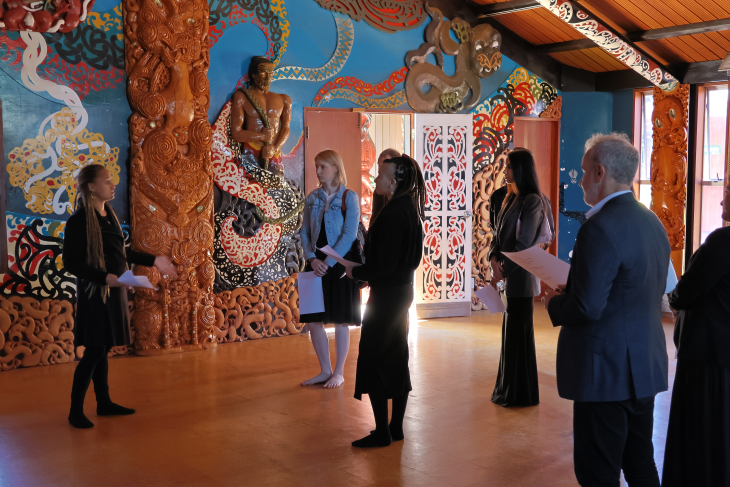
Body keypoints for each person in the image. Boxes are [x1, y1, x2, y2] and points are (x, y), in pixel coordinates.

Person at [543, 133, 670, 487]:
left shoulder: (598, 228)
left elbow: (586, 307)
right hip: (644, 365)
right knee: (641, 464)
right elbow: (641, 288)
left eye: (584, 172)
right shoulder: (652, 222)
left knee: (598, 473)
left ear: (600, 172)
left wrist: (556, 302)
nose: (580, 179)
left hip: (606, 372)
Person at [63, 164, 176, 429]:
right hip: (96, 294)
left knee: (102, 348)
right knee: (94, 350)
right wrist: (104, 278)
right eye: (106, 181)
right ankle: (74, 411)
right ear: (91, 187)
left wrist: (154, 259)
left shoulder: (109, 215)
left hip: (114, 290)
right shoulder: (79, 221)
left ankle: (103, 403)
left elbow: (120, 251)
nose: (112, 185)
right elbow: (71, 263)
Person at [345, 155, 425, 448]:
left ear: (394, 182)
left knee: (375, 358)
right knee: (395, 356)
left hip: (387, 295)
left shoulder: (393, 214)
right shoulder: (408, 209)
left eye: (381, 174)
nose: (375, 178)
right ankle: (395, 427)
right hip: (401, 292)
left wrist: (358, 272)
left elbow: (384, 264)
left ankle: (382, 432)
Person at [662, 182, 730, 487]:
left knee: (703, 429)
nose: (720, 203)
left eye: (726, 195)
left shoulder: (722, 242)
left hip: (708, 352)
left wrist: (673, 299)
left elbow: (685, 291)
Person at [488, 148, 555, 407]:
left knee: (519, 337)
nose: (505, 171)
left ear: (520, 170)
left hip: (522, 277)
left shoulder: (533, 201)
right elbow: (498, 236)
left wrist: (502, 270)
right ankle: (507, 390)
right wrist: (493, 259)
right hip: (507, 274)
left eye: (509, 167)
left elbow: (525, 244)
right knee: (510, 336)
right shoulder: (510, 198)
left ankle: (520, 394)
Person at [299, 150, 361, 389]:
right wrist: (313, 258)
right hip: (315, 264)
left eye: (323, 166)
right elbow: (304, 232)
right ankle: (324, 370)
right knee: (313, 320)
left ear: (336, 167)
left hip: (339, 265)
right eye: (317, 166)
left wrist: (329, 262)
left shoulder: (349, 197)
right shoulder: (312, 198)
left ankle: (339, 372)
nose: (318, 171)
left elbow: (348, 235)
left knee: (341, 320)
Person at [230, 56, 292, 173]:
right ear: (253, 74)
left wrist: (274, 148)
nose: (268, 77)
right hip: (250, 152)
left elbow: (285, 129)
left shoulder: (284, 99)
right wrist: (261, 136)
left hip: (273, 154)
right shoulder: (242, 97)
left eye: (271, 73)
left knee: (276, 188)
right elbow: (236, 133)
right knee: (248, 189)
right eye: (263, 73)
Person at [370, 148, 401, 222]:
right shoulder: (378, 192)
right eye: (379, 164)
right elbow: (375, 219)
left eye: (384, 164)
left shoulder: (404, 194)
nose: (380, 167)